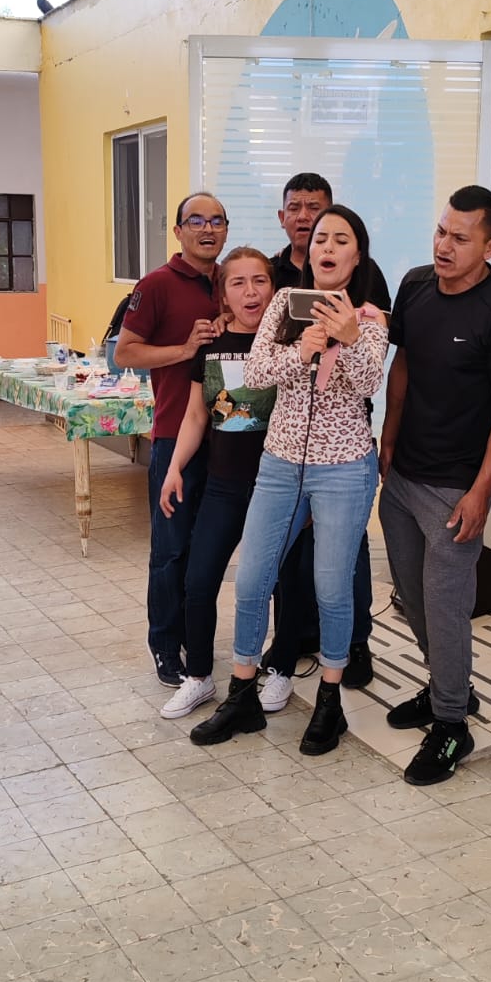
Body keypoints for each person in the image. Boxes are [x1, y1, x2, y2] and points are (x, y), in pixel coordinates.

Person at [190, 205, 388, 756]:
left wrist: (348, 338)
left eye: (341, 239)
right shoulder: (282, 304)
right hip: (279, 463)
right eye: (321, 238)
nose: (327, 247)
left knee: (331, 586)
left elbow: (367, 384)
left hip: (344, 467)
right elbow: (254, 375)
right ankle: (242, 696)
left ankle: (329, 700)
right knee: (252, 579)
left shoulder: (370, 318)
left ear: (356, 255)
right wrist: (302, 350)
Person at [379, 185, 491, 787]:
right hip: (403, 474)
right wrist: (388, 436)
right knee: (410, 596)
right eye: (441, 232)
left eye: (460, 238)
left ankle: (452, 724)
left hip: (455, 489)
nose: (444, 246)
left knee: (446, 607)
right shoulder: (416, 285)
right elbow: (403, 365)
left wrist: (481, 492)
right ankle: (449, 687)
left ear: (490, 247)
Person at [269, 171, 392, 689]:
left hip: (344, 444)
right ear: (284, 217)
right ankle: (292, 639)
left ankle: (354, 642)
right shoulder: (276, 275)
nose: (305, 219)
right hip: (286, 440)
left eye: (314, 209)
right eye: (296, 209)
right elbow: (261, 351)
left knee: (344, 555)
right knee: (285, 552)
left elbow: (375, 353)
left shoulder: (365, 276)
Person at [157, 248, 288, 720]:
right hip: (223, 485)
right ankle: (199, 677)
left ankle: (281, 668)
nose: (251, 292)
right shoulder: (210, 345)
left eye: (260, 281)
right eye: (238, 283)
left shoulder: (288, 342)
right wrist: (174, 468)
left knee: (282, 583)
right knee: (199, 580)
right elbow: (196, 415)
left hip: (278, 486)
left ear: (274, 289)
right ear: (223, 294)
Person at [114, 192, 228, 686]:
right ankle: (164, 644)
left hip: (228, 439)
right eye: (196, 221)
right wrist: (184, 350)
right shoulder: (156, 284)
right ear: (178, 231)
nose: (208, 229)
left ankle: (195, 638)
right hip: (172, 437)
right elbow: (125, 353)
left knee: (207, 553)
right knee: (171, 550)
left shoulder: (231, 282)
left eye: (217, 220)